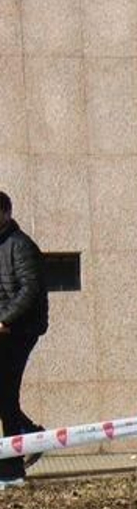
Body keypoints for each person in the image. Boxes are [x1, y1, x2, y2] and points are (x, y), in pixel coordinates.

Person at [0, 192, 48, 489]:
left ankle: (11, 469)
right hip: (4, 328)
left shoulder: (21, 245)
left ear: (5, 213)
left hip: (20, 331)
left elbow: (30, 290)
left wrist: (5, 320)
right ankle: (32, 437)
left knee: (6, 393)